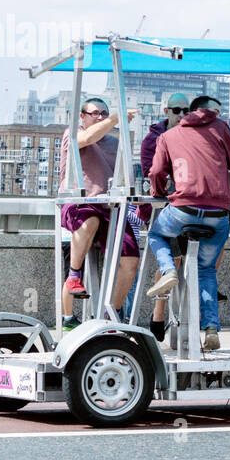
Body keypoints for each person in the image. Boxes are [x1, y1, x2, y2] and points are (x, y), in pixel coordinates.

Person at [146, 94, 230, 351]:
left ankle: (168, 270)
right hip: (218, 215)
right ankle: (211, 328)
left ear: (187, 112)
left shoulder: (168, 136)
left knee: (156, 235)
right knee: (207, 270)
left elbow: (156, 172)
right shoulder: (221, 128)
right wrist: (227, 196)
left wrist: (158, 193)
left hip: (183, 209)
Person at [58, 97, 141, 327]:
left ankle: (111, 314)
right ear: (82, 116)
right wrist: (116, 118)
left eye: (104, 113)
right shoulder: (72, 134)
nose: (101, 117)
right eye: (95, 113)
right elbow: (88, 138)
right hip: (78, 204)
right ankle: (74, 275)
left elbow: (124, 177)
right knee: (89, 221)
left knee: (131, 259)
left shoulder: (116, 144)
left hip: (109, 207)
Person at [139, 93, 189, 341]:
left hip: (186, 205)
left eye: (186, 110)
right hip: (163, 207)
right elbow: (153, 173)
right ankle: (158, 317)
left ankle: (172, 319)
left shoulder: (191, 135)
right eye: (177, 110)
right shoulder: (153, 138)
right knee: (173, 260)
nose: (181, 114)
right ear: (167, 110)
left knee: (185, 262)